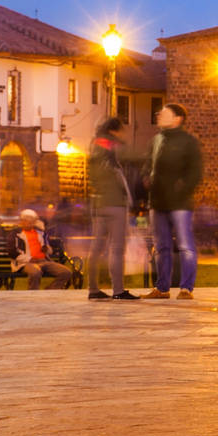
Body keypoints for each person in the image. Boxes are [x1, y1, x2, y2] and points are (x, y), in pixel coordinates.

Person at [143, 101, 204, 300]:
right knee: (161, 247)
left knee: (185, 245)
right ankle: (162, 288)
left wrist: (181, 188)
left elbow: (195, 172)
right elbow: (148, 164)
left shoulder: (188, 142)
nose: (160, 114)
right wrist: (146, 179)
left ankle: (186, 288)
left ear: (178, 119)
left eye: (165, 113)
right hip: (158, 201)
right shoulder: (157, 140)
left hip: (179, 203)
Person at [85, 117, 137, 301]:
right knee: (116, 248)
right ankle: (118, 290)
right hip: (114, 202)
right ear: (115, 131)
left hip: (98, 203)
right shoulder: (113, 146)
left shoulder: (94, 147)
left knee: (96, 248)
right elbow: (133, 157)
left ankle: (93, 289)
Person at [10, 209, 75, 290]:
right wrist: (30, 259)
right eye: (26, 220)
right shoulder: (16, 234)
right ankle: (33, 295)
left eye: (31, 221)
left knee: (66, 272)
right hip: (25, 263)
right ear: (21, 221)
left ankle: (48, 292)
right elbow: (12, 252)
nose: (29, 223)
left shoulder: (40, 233)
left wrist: (47, 249)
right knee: (35, 272)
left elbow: (49, 250)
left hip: (44, 261)